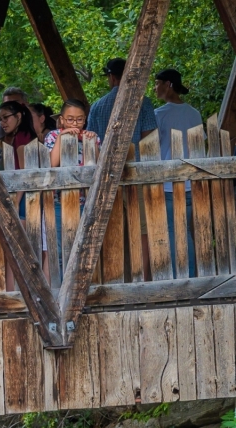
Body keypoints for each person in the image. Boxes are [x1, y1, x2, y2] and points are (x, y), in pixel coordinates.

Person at [154, 68, 202, 278]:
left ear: (169, 85)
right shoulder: (194, 113)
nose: (155, 88)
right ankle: (189, 275)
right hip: (191, 182)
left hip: (168, 184)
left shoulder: (159, 114)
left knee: (173, 232)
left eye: (157, 83)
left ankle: (178, 276)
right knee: (187, 232)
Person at [44, 100, 99, 269]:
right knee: (61, 250)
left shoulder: (92, 137)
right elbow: (52, 163)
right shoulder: (53, 136)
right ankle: (61, 291)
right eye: (70, 119)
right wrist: (62, 136)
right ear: (61, 119)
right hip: (60, 201)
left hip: (86, 201)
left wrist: (91, 143)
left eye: (79, 119)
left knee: (86, 249)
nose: (75, 123)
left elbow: (100, 165)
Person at [87, 58, 156, 148]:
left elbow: (90, 138)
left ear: (112, 77)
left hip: (105, 161)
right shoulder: (144, 103)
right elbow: (148, 138)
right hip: (136, 161)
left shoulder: (96, 106)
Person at [0, 100, 36, 168]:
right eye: (0, 119)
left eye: (5, 117)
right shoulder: (23, 134)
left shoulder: (21, 136)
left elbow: (25, 171)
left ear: (18, 116)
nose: (2, 123)